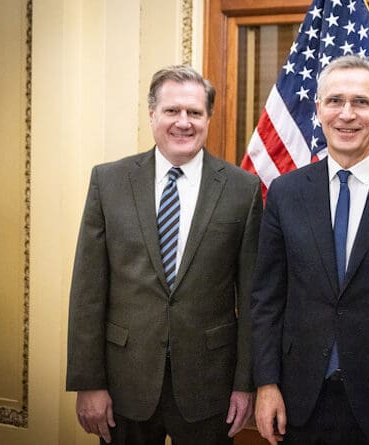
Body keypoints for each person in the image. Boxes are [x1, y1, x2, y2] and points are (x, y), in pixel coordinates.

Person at [250, 55, 369, 445]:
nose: (347, 114)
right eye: (335, 101)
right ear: (318, 110)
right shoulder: (286, 194)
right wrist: (266, 383)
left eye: (361, 102)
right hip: (297, 400)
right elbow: (267, 300)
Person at [66, 65, 262, 444]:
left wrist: (245, 384)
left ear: (208, 118)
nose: (183, 122)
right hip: (125, 382)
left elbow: (253, 298)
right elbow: (88, 290)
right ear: (152, 114)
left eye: (195, 112)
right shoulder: (109, 182)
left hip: (210, 387)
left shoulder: (243, 189)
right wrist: (88, 382)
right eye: (172, 111)